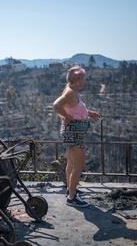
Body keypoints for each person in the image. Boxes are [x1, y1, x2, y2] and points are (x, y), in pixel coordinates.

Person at [53, 66, 100, 207]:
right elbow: (56, 105)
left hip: (72, 132)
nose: (84, 81)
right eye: (83, 79)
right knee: (79, 165)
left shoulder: (71, 91)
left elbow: (74, 109)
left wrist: (89, 113)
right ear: (77, 80)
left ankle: (70, 190)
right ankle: (72, 198)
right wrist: (67, 117)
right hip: (73, 132)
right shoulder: (70, 93)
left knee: (72, 163)